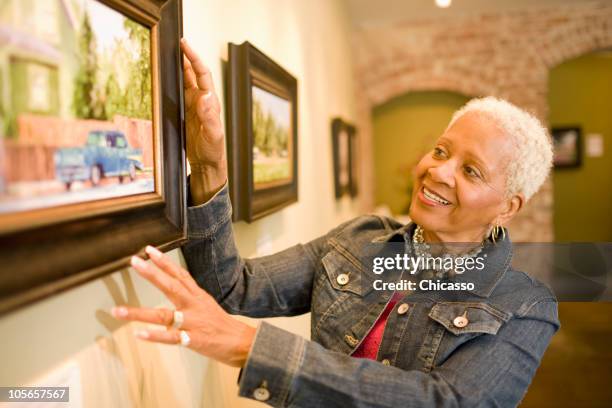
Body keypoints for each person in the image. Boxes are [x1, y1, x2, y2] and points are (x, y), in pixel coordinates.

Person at [111, 39, 559, 407]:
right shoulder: (357, 239)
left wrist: (251, 346)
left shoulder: (525, 305)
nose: (438, 171)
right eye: (441, 151)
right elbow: (233, 286)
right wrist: (209, 166)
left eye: (471, 171)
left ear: (508, 207)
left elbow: (448, 402)